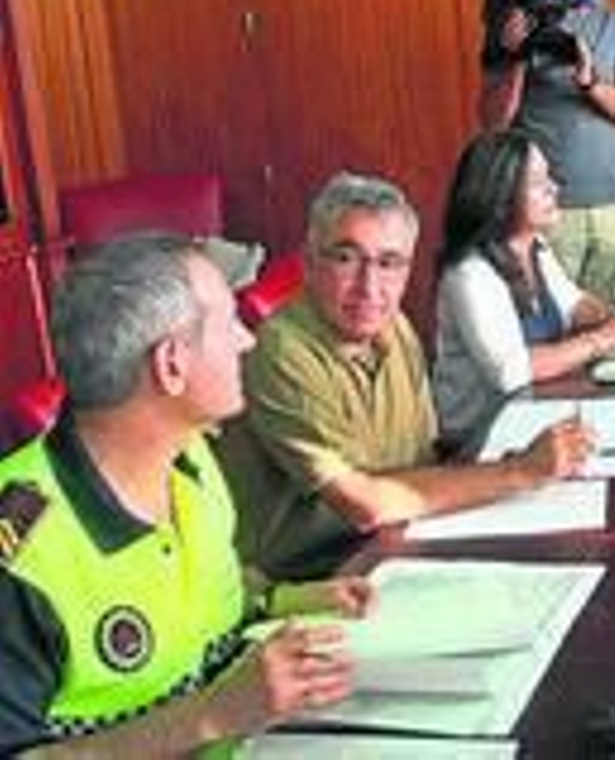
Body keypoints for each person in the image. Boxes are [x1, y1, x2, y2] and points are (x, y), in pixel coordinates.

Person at [0, 235, 368, 755]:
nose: (247, 340)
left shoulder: (190, 459)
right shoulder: (19, 558)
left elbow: (204, 594)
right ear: (171, 364)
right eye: (228, 323)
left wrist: (286, 600)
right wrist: (214, 714)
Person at [218, 173, 595, 581]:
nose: (369, 287)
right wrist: (519, 472)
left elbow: (422, 461)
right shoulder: (280, 352)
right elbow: (365, 506)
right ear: (308, 263)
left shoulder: (394, 325)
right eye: (346, 258)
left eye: (388, 263)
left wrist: (519, 466)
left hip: (397, 543)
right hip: (315, 578)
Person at [434, 130, 615, 445]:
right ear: (500, 195)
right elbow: (510, 372)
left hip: (535, 414)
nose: (554, 188)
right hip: (479, 439)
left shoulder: (535, 247)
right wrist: (604, 338)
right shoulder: (469, 272)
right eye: (539, 182)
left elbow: (574, 305)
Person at [480, 0, 615, 302]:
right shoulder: (516, 21)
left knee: (613, 321)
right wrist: (516, 57)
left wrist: (590, 84)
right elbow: (492, 122)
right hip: (544, 210)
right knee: (549, 322)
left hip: (611, 205)